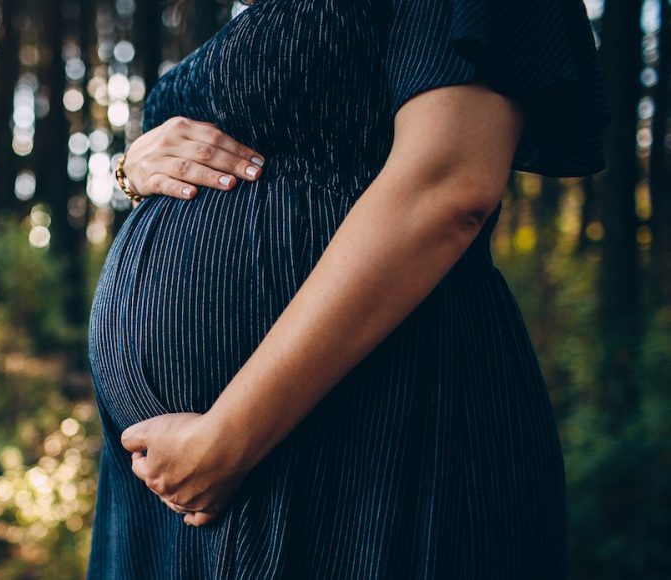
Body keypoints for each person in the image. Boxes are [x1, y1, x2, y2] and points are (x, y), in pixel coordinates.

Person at [85, 0, 609, 577]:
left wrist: (227, 437)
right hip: (167, 487)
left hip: (372, 433)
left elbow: (448, 187)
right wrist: (132, 170)